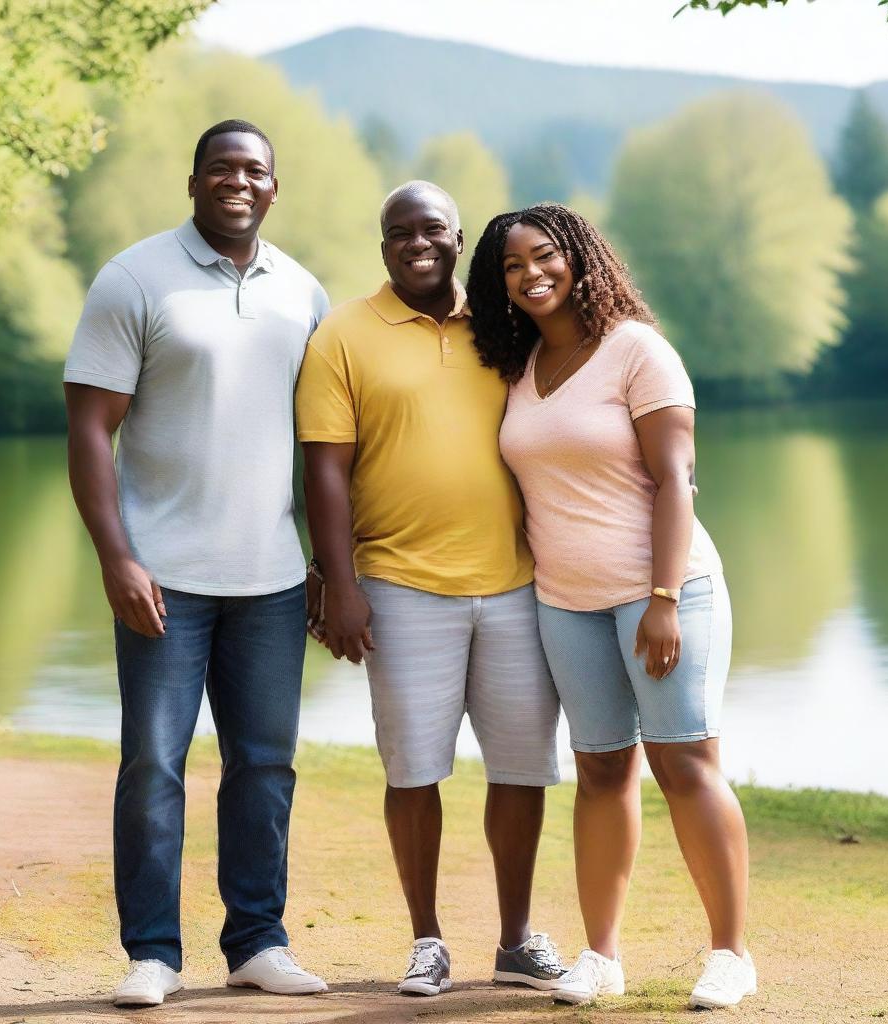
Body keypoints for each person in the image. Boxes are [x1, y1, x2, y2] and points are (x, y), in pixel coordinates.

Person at [63, 119, 329, 1007]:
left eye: (255, 169)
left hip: (273, 580)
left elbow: (330, 446)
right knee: (154, 764)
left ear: (274, 187)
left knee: (264, 765)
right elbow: (90, 429)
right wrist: (117, 557)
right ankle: (153, 953)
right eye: (223, 168)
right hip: (163, 577)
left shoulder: (304, 293)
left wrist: (332, 565)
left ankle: (257, 941)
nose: (239, 182)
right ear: (193, 181)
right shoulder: (134, 278)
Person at [465, 203, 755, 1010]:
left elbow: (676, 481)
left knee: (685, 763)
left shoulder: (637, 352)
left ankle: (730, 953)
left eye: (545, 256)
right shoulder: (520, 366)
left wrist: (662, 599)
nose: (531, 275)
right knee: (599, 770)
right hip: (566, 601)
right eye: (512, 266)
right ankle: (602, 956)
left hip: (665, 593)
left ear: (580, 258)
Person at [295, 181, 566, 997]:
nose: (417, 243)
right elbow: (325, 470)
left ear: (458, 240)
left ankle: (516, 940)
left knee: (522, 769)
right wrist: (339, 584)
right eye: (398, 233)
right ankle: (427, 939)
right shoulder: (342, 334)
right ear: (383, 246)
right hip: (400, 584)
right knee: (414, 770)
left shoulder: (505, 325)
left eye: (433, 230)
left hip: (519, 583)